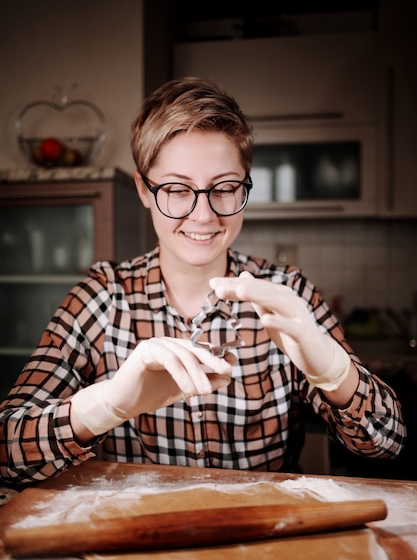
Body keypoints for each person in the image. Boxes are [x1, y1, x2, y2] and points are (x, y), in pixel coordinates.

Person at [0, 76, 406, 485]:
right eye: (177, 189)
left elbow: (387, 442)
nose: (203, 215)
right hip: (135, 541)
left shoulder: (287, 294)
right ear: (144, 189)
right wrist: (102, 406)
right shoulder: (101, 298)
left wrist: (336, 375)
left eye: (225, 188)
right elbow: (5, 451)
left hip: (262, 540)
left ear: (246, 184)